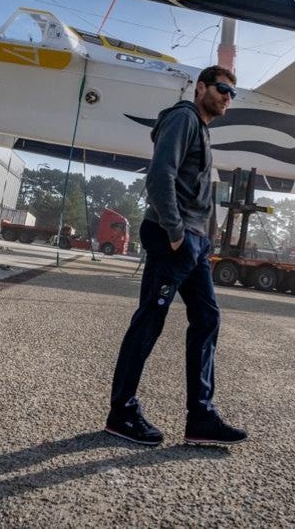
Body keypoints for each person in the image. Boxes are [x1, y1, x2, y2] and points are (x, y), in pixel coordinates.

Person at [106, 65, 247, 447]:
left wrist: (207, 237)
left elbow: (197, 189)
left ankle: (201, 417)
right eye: (220, 88)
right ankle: (121, 411)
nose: (226, 97)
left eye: (232, 93)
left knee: (207, 318)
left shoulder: (201, 128)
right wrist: (174, 233)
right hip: (175, 238)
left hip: (195, 243)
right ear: (200, 87)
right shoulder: (183, 118)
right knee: (150, 320)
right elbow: (159, 176)